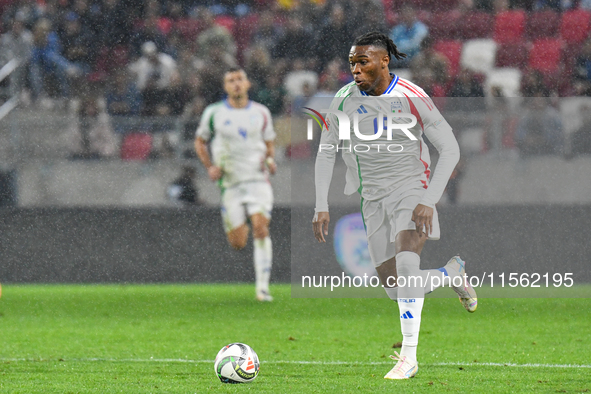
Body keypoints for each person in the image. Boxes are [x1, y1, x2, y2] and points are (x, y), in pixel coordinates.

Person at [312, 32, 477, 380]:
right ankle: (451, 274)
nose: (355, 69)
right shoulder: (343, 99)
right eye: (352, 62)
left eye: (363, 61)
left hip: (411, 190)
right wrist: (321, 203)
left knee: (406, 266)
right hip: (371, 199)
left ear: (384, 60)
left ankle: (409, 357)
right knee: (394, 287)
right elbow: (326, 150)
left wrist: (428, 199)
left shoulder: (412, 96)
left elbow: (450, 149)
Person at [195, 68, 277, 302]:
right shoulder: (214, 113)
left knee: (261, 228)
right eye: (231, 80)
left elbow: (269, 143)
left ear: (248, 83)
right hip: (230, 184)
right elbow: (200, 142)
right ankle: (243, 221)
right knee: (238, 242)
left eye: (240, 79)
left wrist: (270, 160)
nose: (236, 84)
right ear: (225, 87)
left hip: (257, 180)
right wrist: (210, 166)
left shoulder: (261, 112)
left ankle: (262, 289)